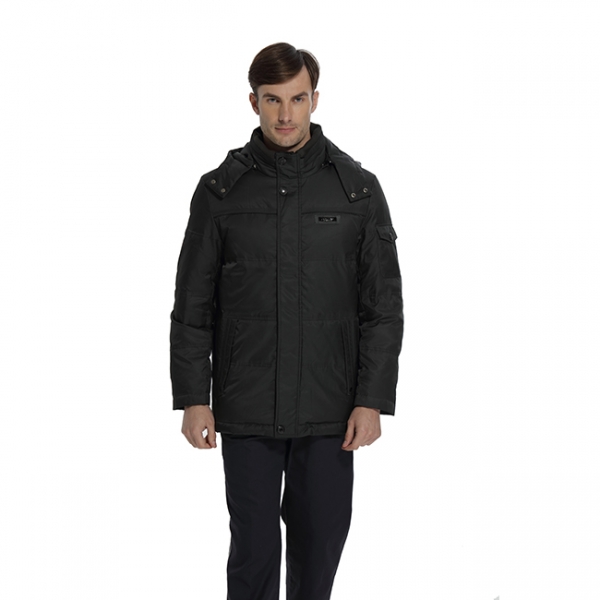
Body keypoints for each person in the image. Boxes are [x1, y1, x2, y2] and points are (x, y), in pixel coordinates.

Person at [169, 42, 403, 600]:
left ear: (315, 99)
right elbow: (192, 305)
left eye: (297, 99)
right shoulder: (219, 191)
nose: (285, 114)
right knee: (253, 550)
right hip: (246, 404)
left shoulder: (357, 190)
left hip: (331, 408)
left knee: (320, 544)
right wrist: (193, 397)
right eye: (272, 99)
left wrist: (371, 400)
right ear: (253, 101)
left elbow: (382, 308)